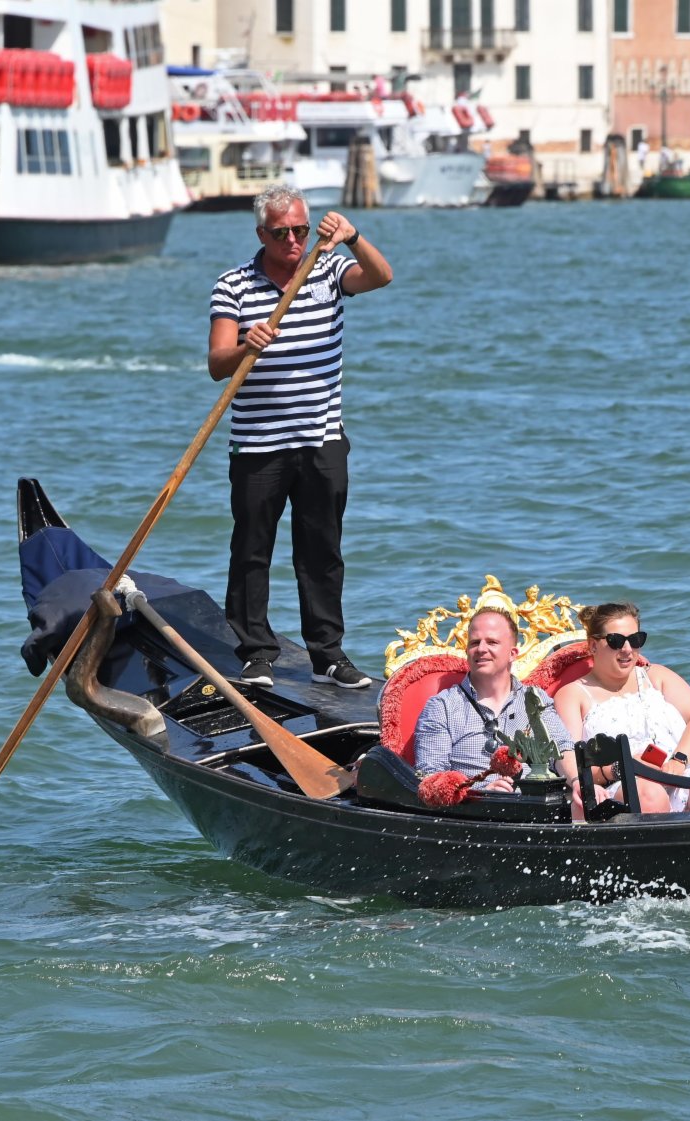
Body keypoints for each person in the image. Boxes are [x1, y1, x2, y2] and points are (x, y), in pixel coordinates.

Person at [208, 186, 394, 690]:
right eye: (281, 233)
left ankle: (327, 655)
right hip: (258, 444)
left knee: (321, 550)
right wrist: (247, 342)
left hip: (321, 439)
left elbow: (381, 276)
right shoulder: (233, 286)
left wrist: (353, 237)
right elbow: (217, 364)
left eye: (300, 230)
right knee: (251, 551)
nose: (293, 240)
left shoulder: (327, 271)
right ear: (261, 234)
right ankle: (256, 652)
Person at [553, 602, 690, 814]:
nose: (627, 649)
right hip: (619, 786)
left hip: (680, 771)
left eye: (635, 640)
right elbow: (567, 758)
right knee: (650, 795)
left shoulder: (658, 676)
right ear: (593, 645)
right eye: (616, 641)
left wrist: (678, 761)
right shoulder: (573, 694)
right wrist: (621, 769)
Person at [414, 607, 583, 799]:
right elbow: (431, 778)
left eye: (492, 642)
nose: (481, 649)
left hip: (533, 805)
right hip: (472, 814)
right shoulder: (442, 706)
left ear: (512, 653)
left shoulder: (536, 699)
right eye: (475, 642)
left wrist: (578, 783)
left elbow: (560, 748)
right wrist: (481, 794)